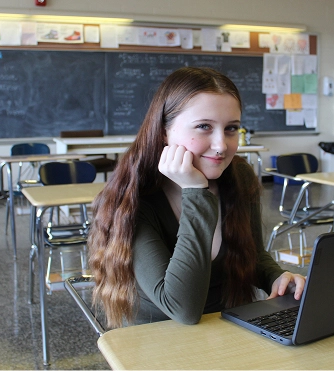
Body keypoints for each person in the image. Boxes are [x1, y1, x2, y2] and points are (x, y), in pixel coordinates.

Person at [88, 66, 306, 329]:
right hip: (158, 339)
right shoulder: (134, 197)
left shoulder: (240, 176)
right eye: (204, 126)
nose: (221, 145)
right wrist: (195, 193)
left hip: (228, 328)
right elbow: (182, 309)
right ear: (163, 132)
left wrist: (277, 277)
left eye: (231, 128)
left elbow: (253, 254)